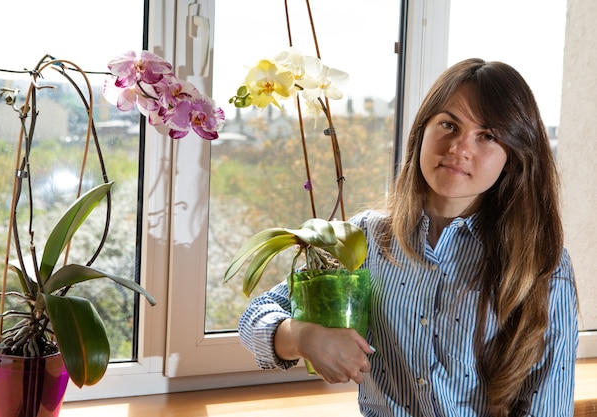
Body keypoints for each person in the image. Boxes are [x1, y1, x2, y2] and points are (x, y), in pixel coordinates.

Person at [237, 58, 578, 416]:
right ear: (422, 131)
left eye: (487, 136)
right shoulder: (363, 239)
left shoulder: (543, 266)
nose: (459, 148)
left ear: (512, 157)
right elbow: (255, 317)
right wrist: (302, 337)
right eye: (449, 124)